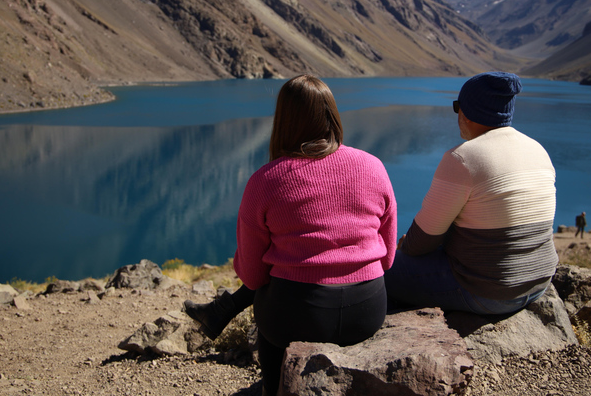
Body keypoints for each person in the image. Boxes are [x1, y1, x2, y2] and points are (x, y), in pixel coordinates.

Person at [183, 74, 397, 395]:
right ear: (332, 116)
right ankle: (219, 313)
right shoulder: (373, 167)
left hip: (298, 316)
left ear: (283, 120)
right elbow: (388, 256)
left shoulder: (266, 180)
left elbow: (253, 277)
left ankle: (277, 389)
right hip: (366, 310)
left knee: (272, 318)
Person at [385, 71, 558, 315]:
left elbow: (421, 241)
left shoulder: (463, 158)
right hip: (539, 282)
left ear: (467, 111)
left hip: (489, 293)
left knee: (378, 268)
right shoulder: (537, 149)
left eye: (457, 107)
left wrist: (407, 247)